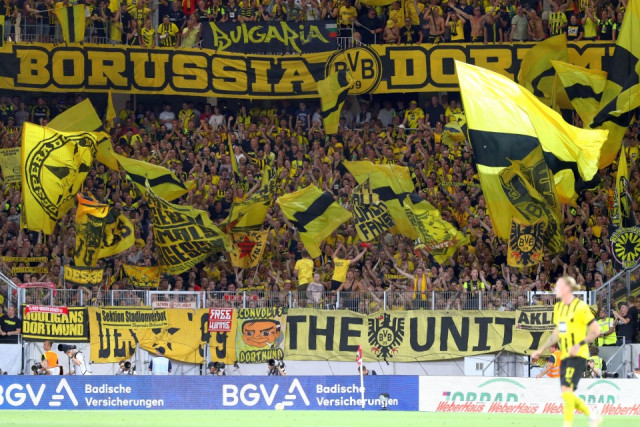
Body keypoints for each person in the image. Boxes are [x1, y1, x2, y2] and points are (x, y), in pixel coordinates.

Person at [532, 276, 603, 427]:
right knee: (566, 393)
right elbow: (556, 333)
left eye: (558, 286)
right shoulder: (558, 307)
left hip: (578, 354)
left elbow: (596, 330)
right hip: (565, 355)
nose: (554, 288)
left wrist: (580, 344)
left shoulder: (581, 307)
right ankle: (592, 415)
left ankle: (568, 423)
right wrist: (541, 350)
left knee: (567, 390)